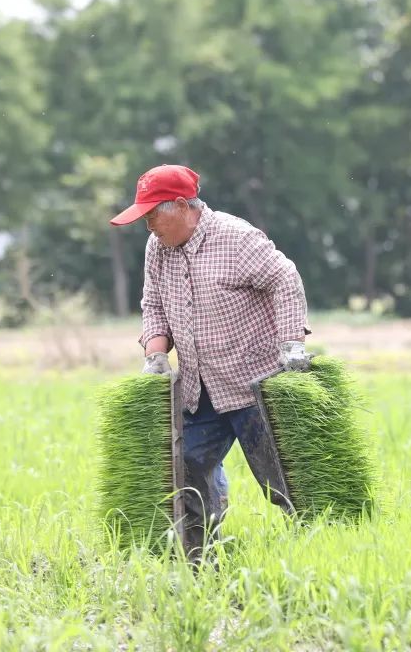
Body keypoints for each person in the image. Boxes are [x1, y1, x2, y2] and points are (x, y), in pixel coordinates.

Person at [109, 163, 312, 559]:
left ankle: (317, 552)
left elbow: (285, 279)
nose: (148, 225)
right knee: (185, 466)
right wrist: (154, 355)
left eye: (153, 214)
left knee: (283, 481)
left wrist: (292, 346)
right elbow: (153, 303)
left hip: (255, 384)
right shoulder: (158, 248)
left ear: (183, 206)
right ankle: (200, 560)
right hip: (199, 388)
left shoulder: (237, 239)